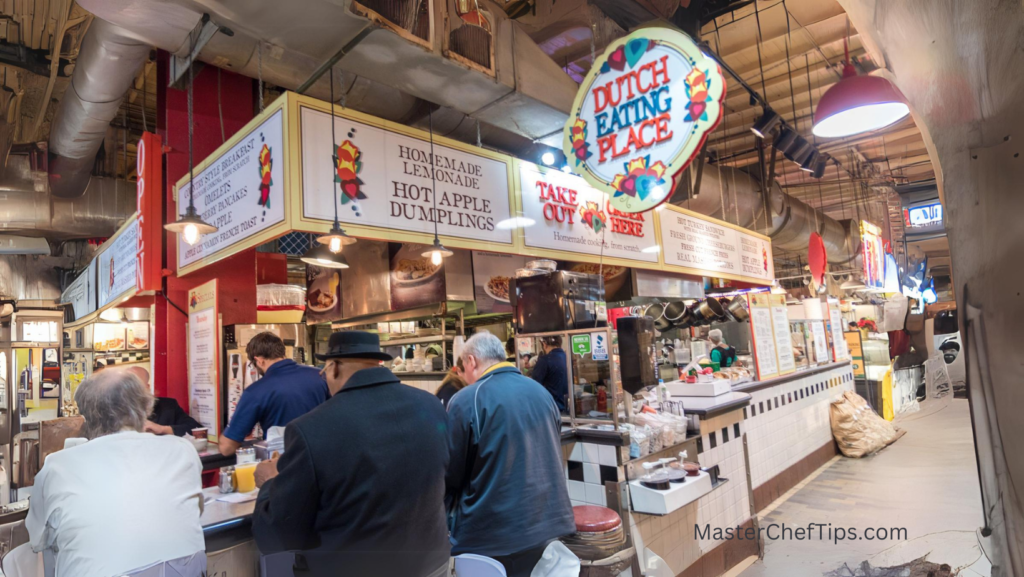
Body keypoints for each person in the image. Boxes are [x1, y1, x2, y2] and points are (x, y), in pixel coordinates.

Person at [251, 331, 450, 576]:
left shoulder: (310, 429)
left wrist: (269, 483)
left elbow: (278, 536)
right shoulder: (431, 405)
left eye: (324, 372)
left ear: (333, 368)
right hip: (433, 566)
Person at [26, 370, 205, 577]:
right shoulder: (183, 450)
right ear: (145, 407)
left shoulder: (58, 465)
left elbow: (37, 539)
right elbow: (191, 513)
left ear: (86, 415)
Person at [446, 332, 575, 577]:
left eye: (463, 367)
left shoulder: (467, 399)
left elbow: (450, 471)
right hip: (546, 526)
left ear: (471, 361)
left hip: (492, 532)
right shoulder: (541, 393)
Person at [218, 332, 328, 455]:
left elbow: (227, 448)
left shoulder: (256, 391)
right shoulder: (320, 375)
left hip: (285, 463)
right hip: (324, 456)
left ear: (259, 360)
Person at [125, 366, 203, 437]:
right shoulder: (115, 410)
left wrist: (162, 429)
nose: (131, 390)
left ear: (147, 387)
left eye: (137, 385)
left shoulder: (168, 406)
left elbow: (196, 428)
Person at [529, 336, 568, 412]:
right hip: (568, 408)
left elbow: (534, 385)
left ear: (544, 344)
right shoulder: (568, 357)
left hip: (550, 408)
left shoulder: (544, 360)